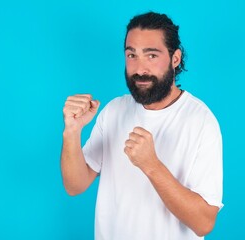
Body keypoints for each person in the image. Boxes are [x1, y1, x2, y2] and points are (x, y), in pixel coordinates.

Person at [61, 11, 223, 240]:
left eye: (152, 55)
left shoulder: (201, 121)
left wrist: (151, 165)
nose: (140, 69)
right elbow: (74, 185)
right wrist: (72, 131)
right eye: (132, 55)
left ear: (175, 59)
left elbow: (204, 223)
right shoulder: (114, 111)